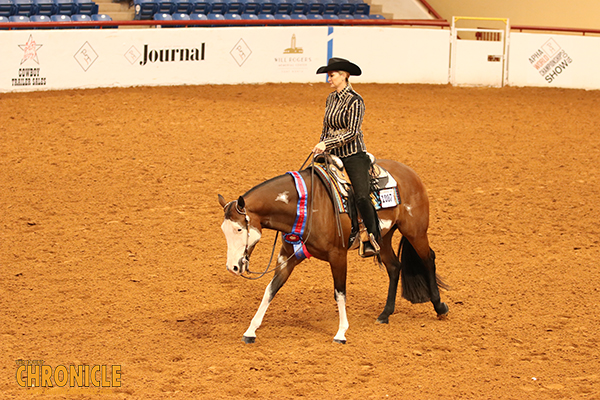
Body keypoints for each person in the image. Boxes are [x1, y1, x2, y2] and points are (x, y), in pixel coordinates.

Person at [313, 57, 380, 257]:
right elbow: (326, 128)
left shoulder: (356, 101)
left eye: (332, 75)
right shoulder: (330, 99)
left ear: (344, 76)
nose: (329, 80)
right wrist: (321, 145)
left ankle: (372, 235)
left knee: (360, 194)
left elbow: (352, 132)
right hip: (331, 153)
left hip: (353, 155)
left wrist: (327, 144)